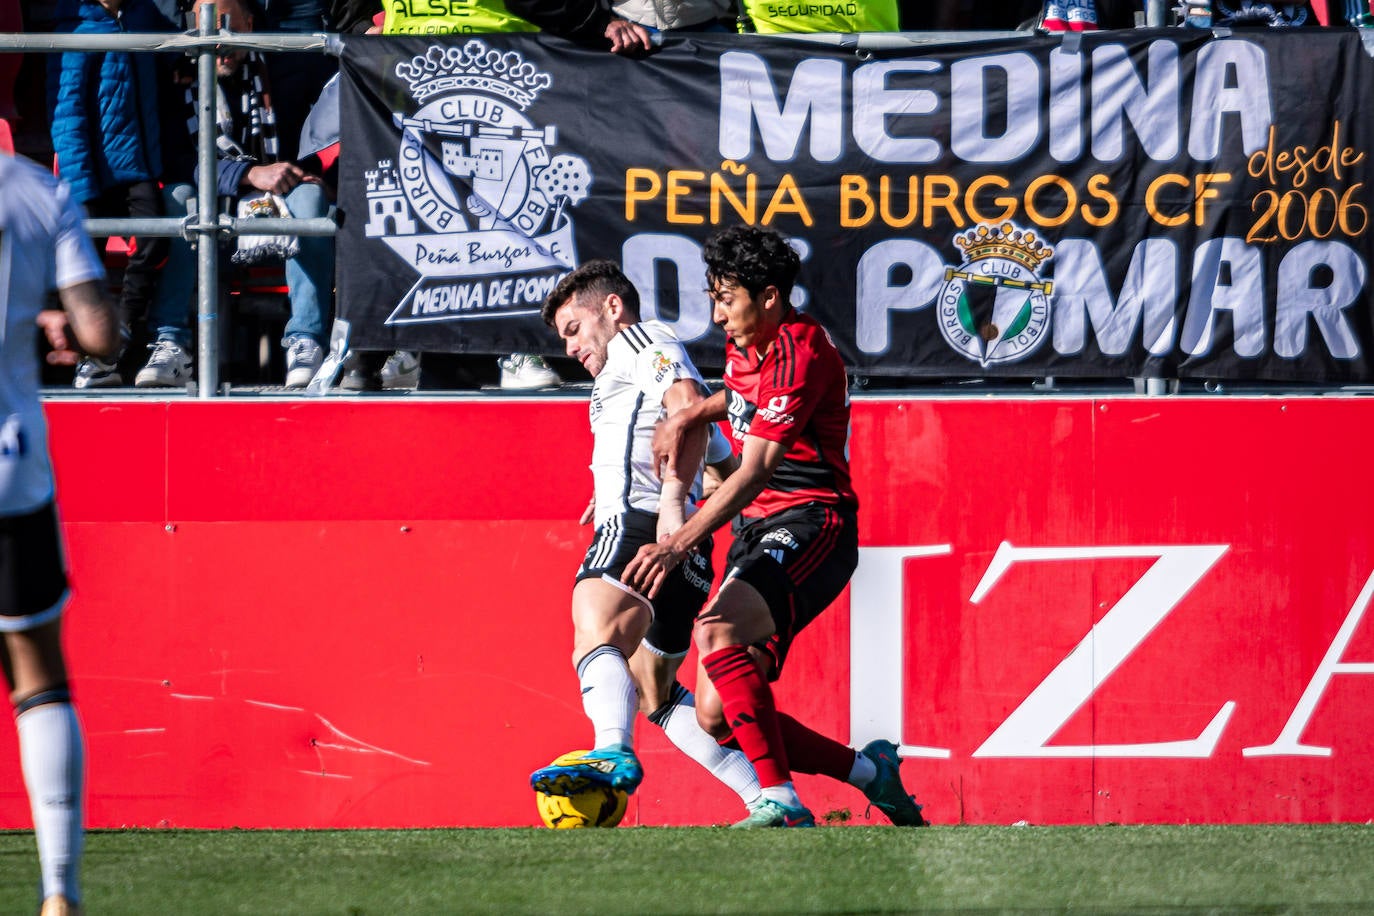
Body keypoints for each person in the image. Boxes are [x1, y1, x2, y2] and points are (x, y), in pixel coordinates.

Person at [623, 225, 925, 828]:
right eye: (713, 297)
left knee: (714, 632)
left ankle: (781, 800)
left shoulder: (799, 349)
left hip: (817, 521)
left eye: (726, 298)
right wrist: (689, 414)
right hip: (763, 529)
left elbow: (757, 468)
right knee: (716, 714)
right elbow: (739, 398)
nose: (716, 314)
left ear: (768, 296)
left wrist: (677, 540)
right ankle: (871, 774)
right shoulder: (747, 340)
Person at [527, 259, 762, 817]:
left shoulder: (638, 339)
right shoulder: (631, 366)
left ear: (612, 308)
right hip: (680, 545)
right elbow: (717, 460)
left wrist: (666, 505)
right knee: (655, 693)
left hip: (642, 526)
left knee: (594, 634)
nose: (570, 348)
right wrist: (617, 482)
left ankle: (611, 750)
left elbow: (685, 409)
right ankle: (769, 796)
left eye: (574, 330)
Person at [0, 153, 123, 916]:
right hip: (11, 457)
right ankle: (59, 893)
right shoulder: (36, 191)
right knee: (36, 670)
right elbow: (99, 334)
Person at [149, 0, 337, 389]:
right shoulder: (176, 77)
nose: (218, 45)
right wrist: (249, 173)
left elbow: (338, 107)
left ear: (250, 25)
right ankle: (170, 343)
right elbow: (176, 161)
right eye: (209, 32)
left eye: (227, 30)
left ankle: (306, 341)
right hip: (212, 199)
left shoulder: (285, 68)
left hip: (275, 202)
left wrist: (315, 172)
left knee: (312, 202)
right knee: (180, 198)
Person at [48, 0, 182, 389]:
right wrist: (80, 184)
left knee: (156, 241)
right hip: (89, 173)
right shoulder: (73, 28)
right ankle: (87, 357)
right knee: (83, 261)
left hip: (134, 166)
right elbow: (66, 114)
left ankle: (115, 340)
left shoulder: (144, 17)